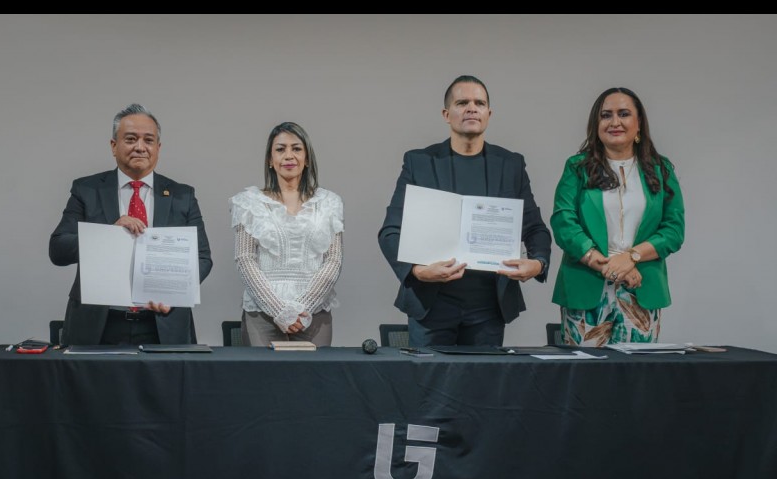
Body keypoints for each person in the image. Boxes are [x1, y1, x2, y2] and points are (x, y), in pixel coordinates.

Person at [378, 75, 552, 347]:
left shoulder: (510, 165)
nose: (472, 108)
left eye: (479, 103)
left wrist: (538, 263)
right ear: (446, 114)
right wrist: (416, 271)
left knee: (483, 376)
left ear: (489, 114)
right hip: (431, 303)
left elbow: (535, 228)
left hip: (489, 306)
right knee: (428, 375)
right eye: (462, 103)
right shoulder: (420, 162)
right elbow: (390, 232)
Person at [49, 103, 213, 345]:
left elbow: (203, 258)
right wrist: (108, 235)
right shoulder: (87, 190)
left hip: (163, 323)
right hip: (99, 325)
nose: (140, 147)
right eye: (130, 139)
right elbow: (58, 249)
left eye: (148, 140)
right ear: (113, 146)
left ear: (158, 148)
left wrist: (172, 291)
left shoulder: (182, 195)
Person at [550, 87, 685, 346]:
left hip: (641, 287)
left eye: (624, 114)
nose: (614, 122)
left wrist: (631, 257)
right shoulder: (576, 167)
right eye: (606, 115)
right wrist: (606, 265)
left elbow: (673, 230)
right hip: (586, 284)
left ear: (639, 123)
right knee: (585, 369)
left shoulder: (661, 169)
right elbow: (563, 222)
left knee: (637, 370)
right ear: (596, 124)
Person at [229, 122, 343, 346]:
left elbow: (334, 260)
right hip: (262, 315)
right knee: (264, 371)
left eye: (296, 148)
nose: (289, 155)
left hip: (313, 315)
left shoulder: (329, 202)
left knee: (316, 370)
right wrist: (279, 310)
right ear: (270, 160)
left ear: (307, 158)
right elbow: (244, 259)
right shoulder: (248, 202)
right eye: (280, 149)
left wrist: (302, 308)